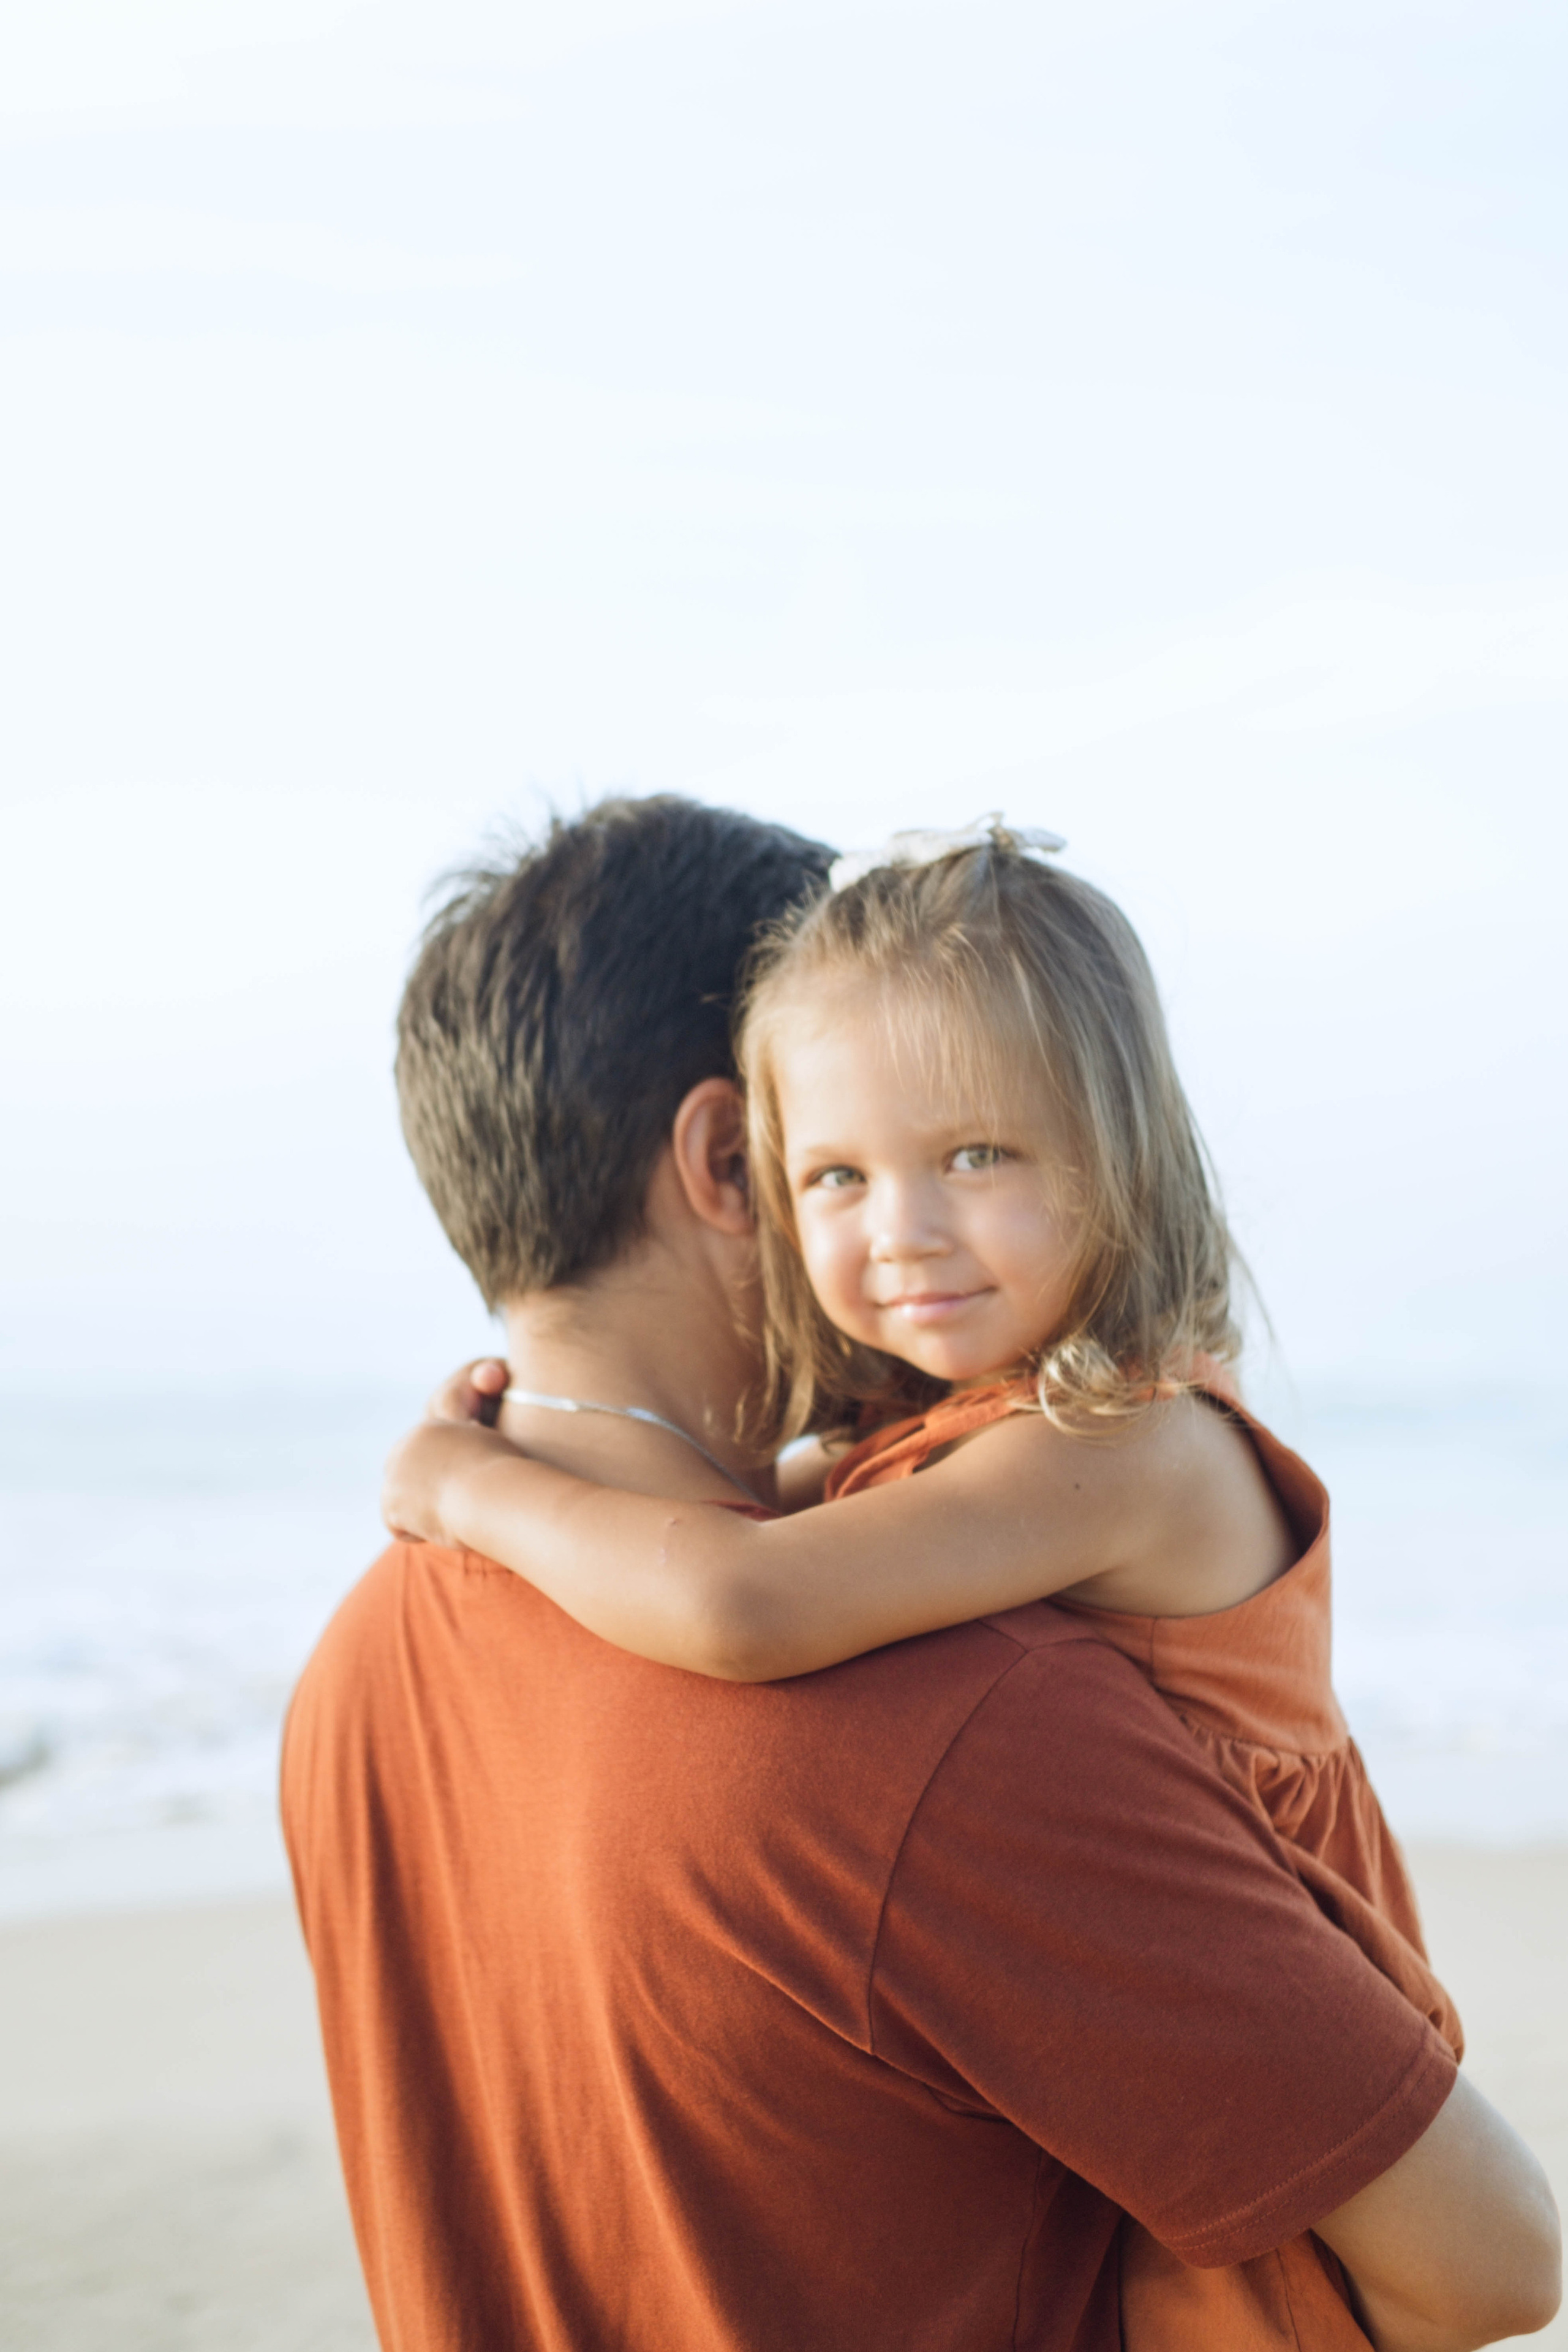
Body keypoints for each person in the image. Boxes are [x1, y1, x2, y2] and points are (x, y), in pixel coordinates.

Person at [287, 796, 1559, 2352]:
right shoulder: (947, 1718)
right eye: (838, 1170)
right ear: (731, 1159)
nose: (904, 1232)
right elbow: (1487, 2265)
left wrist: (469, 1479)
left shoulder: (358, 1661)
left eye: (970, 1150)